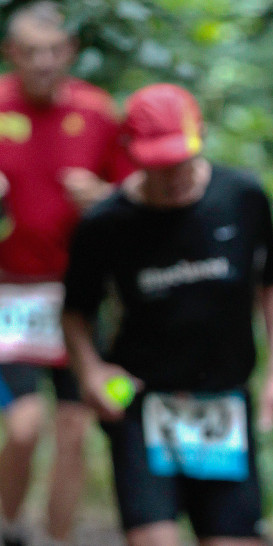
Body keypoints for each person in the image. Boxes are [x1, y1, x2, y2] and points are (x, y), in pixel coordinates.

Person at [61, 82, 273, 546]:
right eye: (156, 163)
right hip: (142, 402)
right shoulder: (106, 223)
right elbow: (75, 313)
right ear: (130, 150)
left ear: (201, 137)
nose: (171, 174)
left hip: (224, 402)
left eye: (179, 159)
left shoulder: (243, 196)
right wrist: (91, 371)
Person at [0, 2, 132, 545]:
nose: (43, 63)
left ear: (70, 52)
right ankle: (8, 527)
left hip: (77, 297)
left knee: (76, 429)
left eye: (53, 51)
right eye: (31, 52)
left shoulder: (97, 111)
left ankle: (58, 538)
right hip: (9, 293)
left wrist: (100, 196)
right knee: (25, 426)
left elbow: (133, 198)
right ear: (12, 55)